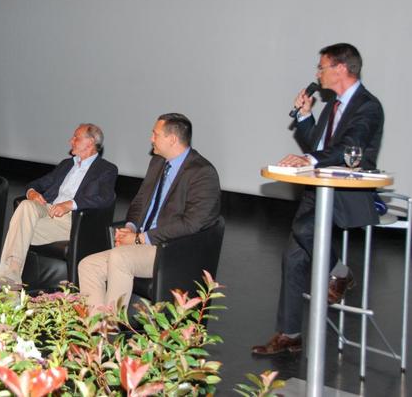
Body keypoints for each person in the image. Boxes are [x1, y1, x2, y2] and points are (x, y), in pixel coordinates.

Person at [252, 43, 384, 356]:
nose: (317, 73)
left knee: (306, 232)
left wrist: (308, 159)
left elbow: (348, 148)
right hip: (318, 190)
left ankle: (339, 271)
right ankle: (290, 334)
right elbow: (318, 146)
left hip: (347, 194)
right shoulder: (331, 107)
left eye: (322, 67)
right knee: (294, 257)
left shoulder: (368, 106)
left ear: (341, 69)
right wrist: (305, 117)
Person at [78, 113, 221, 312]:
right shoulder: (157, 162)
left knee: (121, 258)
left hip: (169, 248)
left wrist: (141, 238)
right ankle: (95, 331)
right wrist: (130, 228)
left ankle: (109, 329)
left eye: (155, 134)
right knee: (87, 265)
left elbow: (191, 224)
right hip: (143, 242)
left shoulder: (202, 172)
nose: (151, 139)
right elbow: (140, 202)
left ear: (172, 139)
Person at [0, 124, 118, 290]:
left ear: (90, 142)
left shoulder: (106, 169)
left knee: (18, 227)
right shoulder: (67, 164)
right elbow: (37, 183)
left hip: (73, 221)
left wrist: (71, 204)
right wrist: (31, 192)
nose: (71, 141)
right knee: (26, 205)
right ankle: (11, 279)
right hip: (48, 209)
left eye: (76, 137)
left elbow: (105, 198)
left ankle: (9, 282)